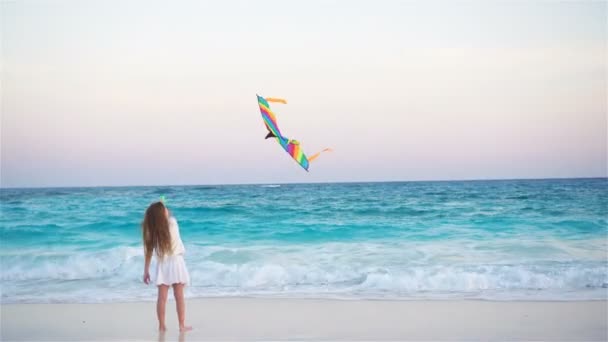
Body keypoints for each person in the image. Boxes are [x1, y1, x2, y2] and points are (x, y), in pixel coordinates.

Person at [142, 201, 192, 332]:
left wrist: (146, 270)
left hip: (162, 264)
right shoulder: (173, 223)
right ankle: (181, 325)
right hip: (176, 263)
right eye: (165, 209)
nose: (167, 210)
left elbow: (148, 252)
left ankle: (162, 326)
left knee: (162, 298)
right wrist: (164, 208)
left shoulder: (152, 231)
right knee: (179, 296)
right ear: (163, 214)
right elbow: (169, 216)